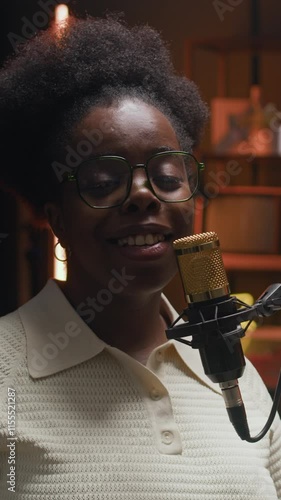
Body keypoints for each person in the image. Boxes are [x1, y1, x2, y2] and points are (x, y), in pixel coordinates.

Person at [0, 14, 280, 500]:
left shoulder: (237, 377)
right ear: (57, 218)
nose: (143, 196)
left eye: (168, 178)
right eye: (104, 183)